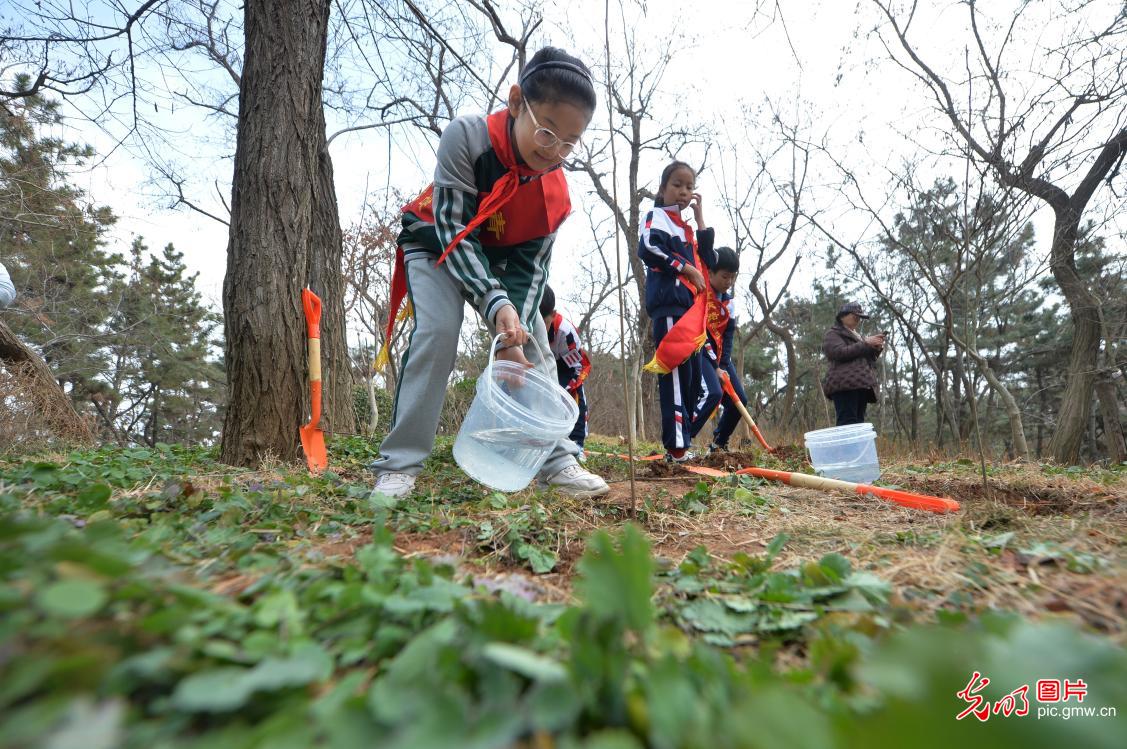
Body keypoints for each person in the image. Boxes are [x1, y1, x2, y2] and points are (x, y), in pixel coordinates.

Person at [370, 47, 609, 500]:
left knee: (534, 341)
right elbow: (453, 229)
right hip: (435, 243)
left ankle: (556, 461)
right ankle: (399, 465)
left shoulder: (554, 194)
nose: (554, 151)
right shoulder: (467, 138)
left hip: (500, 260)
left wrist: (511, 332)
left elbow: (531, 269)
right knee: (439, 331)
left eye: (570, 142)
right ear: (517, 101)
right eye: (546, 132)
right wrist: (494, 302)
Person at [638, 160, 717, 462]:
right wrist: (683, 268)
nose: (683, 192)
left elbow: (708, 259)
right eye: (677, 185)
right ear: (662, 189)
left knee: (692, 381)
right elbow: (648, 248)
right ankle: (676, 448)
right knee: (672, 377)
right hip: (669, 307)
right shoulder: (656, 217)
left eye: (689, 187)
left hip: (692, 313)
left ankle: (681, 444)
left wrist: (700, 219)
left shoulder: (686, 228)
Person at [689, 246, 747, 453]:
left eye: (732, 277)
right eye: (724, 276)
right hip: (700, 352)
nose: (728, 282)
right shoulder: (700, 294)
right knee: (712, 393)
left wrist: (722, 365)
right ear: (711, 272)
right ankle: (683, 440)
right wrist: (714, 367)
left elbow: (729, 335)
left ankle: (719, 444)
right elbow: (697, 331)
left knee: (739, 399)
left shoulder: (728, 302)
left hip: (720, 357)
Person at [540, 285, 591, 456]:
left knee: (572, 397)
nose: (539, 329)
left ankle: (577, 444)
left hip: (566, 364)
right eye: (535, 323)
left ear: (553, 315)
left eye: (544, 323)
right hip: (539, 362)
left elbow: (575, 367)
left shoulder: (566, 332)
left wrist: (565, 388)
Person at [821, 302, 885, 426]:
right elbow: (839, 353)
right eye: (855, 315)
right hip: (844, 384)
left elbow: (866, 359)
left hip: (861, 384)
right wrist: (866, 343)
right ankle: (844, 446)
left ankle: (855, 447)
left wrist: (874, 347)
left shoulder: (858, 336)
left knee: (859, 424)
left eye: (860, 317)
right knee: (847, 422)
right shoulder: (833, 334)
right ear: (842, 316)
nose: (858, 319)